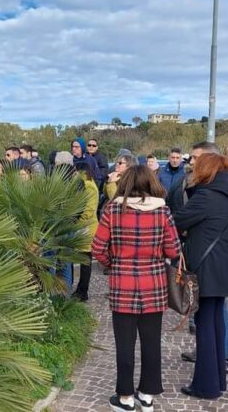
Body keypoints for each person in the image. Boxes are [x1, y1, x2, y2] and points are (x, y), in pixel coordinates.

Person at [92, 165, 181, 412]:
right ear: (152, 182)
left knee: (124, 343)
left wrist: (115, 263)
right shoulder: (163, 212)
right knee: (152, 342)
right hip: (153, 284)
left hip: (123, 284)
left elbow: (98, 248)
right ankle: (147, 395)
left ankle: (125, 398)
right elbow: (174, 250)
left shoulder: (113, 210)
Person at [173, 153, 228, 400]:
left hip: (207, 266)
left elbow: (178, 219)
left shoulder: (206, 195)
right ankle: (217, 381)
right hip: (225, 265)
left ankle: (206, 386)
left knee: (205, 325)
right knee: (216, 323)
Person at [71, 162, 99, 302]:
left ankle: (83, 291)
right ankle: (81, 290)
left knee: (85, 261)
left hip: (86, 228)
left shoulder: (88, 186)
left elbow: (88, 210)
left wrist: (76, 220)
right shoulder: (88, 184)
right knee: (84, 260)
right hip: (84, 227)